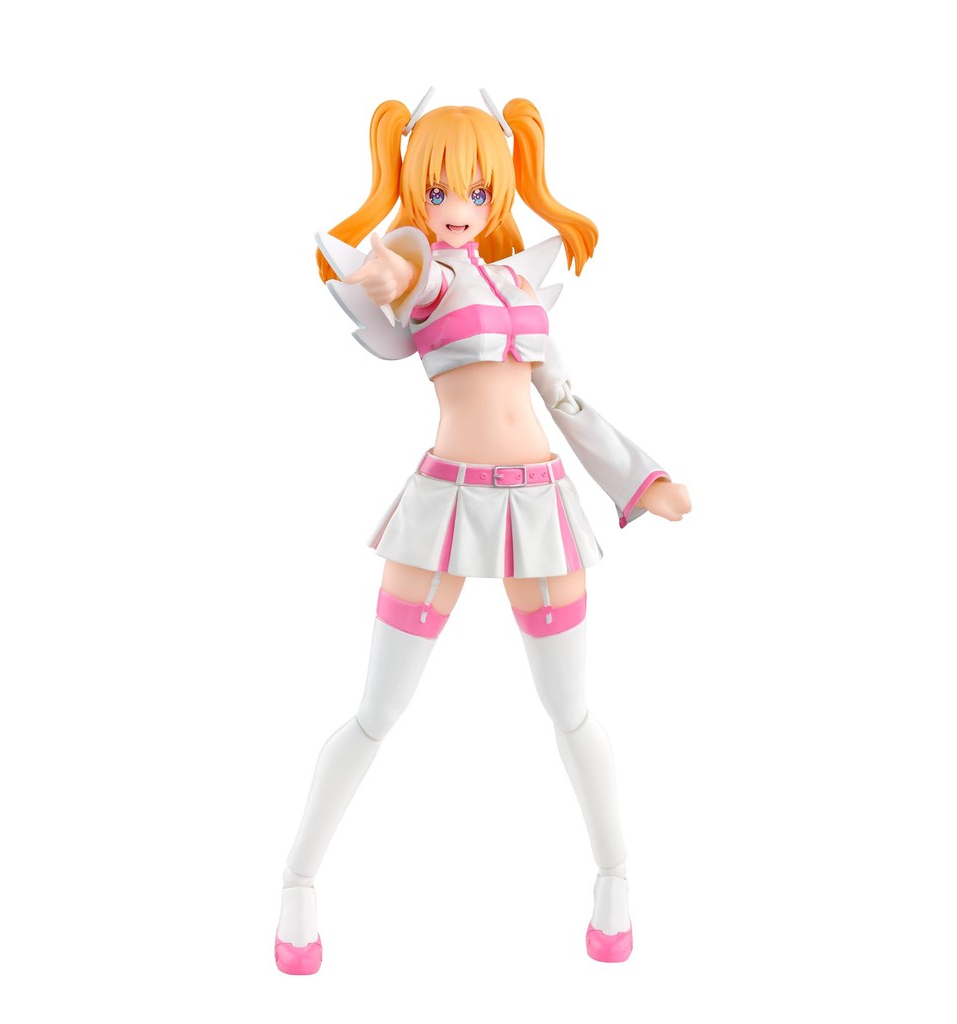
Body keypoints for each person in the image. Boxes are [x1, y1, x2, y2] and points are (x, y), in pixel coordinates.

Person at [275, 91, 691, 974]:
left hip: (541, 508)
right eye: (438, 192)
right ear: (414, 194)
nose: (457, 208)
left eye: (475, 190)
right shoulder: (425, 271)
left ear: (499, 189)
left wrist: (641, 479)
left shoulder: (519, 285)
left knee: (571, 710)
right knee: (379, 711)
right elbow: (405, 273)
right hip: (447, 510)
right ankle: (298, 882)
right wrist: (385, 270)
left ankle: (616, 879)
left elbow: (565, 400)